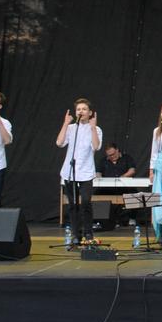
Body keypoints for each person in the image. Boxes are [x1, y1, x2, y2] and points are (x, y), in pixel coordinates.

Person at [56, 98, 102, 244]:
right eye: (78, 109)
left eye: (84, 109)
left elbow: (96, 146)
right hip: (70, 171)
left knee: (86, 202)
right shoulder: (71, 128)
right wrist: (65, 124)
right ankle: (76, 234)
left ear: (90, 112)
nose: (81, 111)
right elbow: (59, 143)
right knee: (73, 204)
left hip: (86, 171)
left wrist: (93, 128)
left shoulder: (96, 129)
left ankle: (88, 233)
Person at [97, 143, 138, 225]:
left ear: (117, 150)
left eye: (113, 154)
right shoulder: (103, 161)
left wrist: (122, 177)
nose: (112, 156)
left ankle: (132, 218)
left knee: (135, 194)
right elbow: (98, 173)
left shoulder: (127, 158)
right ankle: (100, 220)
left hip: (125, 186)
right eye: (110, 155)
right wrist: (100, 179)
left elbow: (132, 170)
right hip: (108, 188)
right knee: (97, 195)